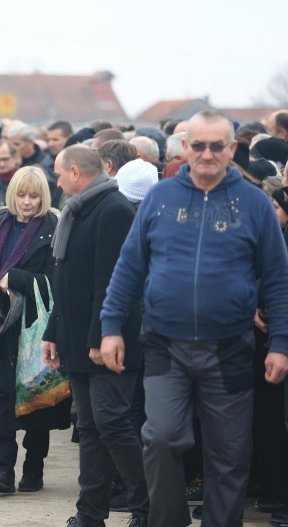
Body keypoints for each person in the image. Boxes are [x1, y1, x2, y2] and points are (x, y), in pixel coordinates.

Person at [100, 110, 288, 527]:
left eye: (216, 146)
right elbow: (128, 267)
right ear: (185, 148)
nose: (206, 154)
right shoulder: (160, 198)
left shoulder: (255, 204)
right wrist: (110, 328)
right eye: (198, 145)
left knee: (229, 455)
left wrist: (280, 344)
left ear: (231, 149)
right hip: (166, 345)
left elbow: (278, 279)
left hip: (231, 349)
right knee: (161, 438)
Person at [42, 145, 149, 526]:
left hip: (108, 342)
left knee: (113, 424)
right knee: (89, 427)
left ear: (75, 172)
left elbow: (111, 284)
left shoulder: (114, 210)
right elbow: (66, 280)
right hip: (78, 340)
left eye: (58, 174)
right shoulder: (77, 210)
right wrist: (54, 331)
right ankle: (90, 512)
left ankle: (147, 507)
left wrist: (98, 340)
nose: (55, 181)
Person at [0, 166, 71, 493]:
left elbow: (58, 283)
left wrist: (21, 279)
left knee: (34, 402)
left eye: (34, 196)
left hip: (32, 331)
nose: (26, 202)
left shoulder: (53, 226)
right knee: (1, 400)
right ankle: (3, 470)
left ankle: (33, 468)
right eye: (21, 195)